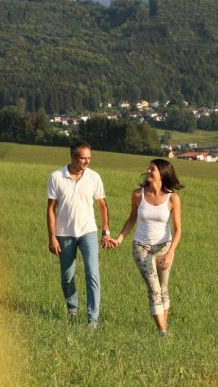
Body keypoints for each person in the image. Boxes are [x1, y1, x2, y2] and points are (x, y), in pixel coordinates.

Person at [108, 158, 183, 336]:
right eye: (149, 169)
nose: (148, 172)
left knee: (164, 288)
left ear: (162, 174)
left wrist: (170, 253)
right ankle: (163, 332)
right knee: (154, 289)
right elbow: (131, 219)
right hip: (142, 248)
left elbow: (178, 230)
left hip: (164, 247)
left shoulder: (173, 198)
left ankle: (164, 329)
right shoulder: (137, 195)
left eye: (152, 170)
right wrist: (119, 239)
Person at [46, 141, 112, 328]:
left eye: (89, 158)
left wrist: (105, 231)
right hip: (64, 234)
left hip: (88, 231)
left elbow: (102, 205)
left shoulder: (94, 177)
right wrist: (52, 237)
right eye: (83, 158)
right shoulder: (56, 177)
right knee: (67, 276)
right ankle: (72, 308)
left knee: (93, 274)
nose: (87, 161)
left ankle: (93, 319)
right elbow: (51, 209)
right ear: (73, 157)